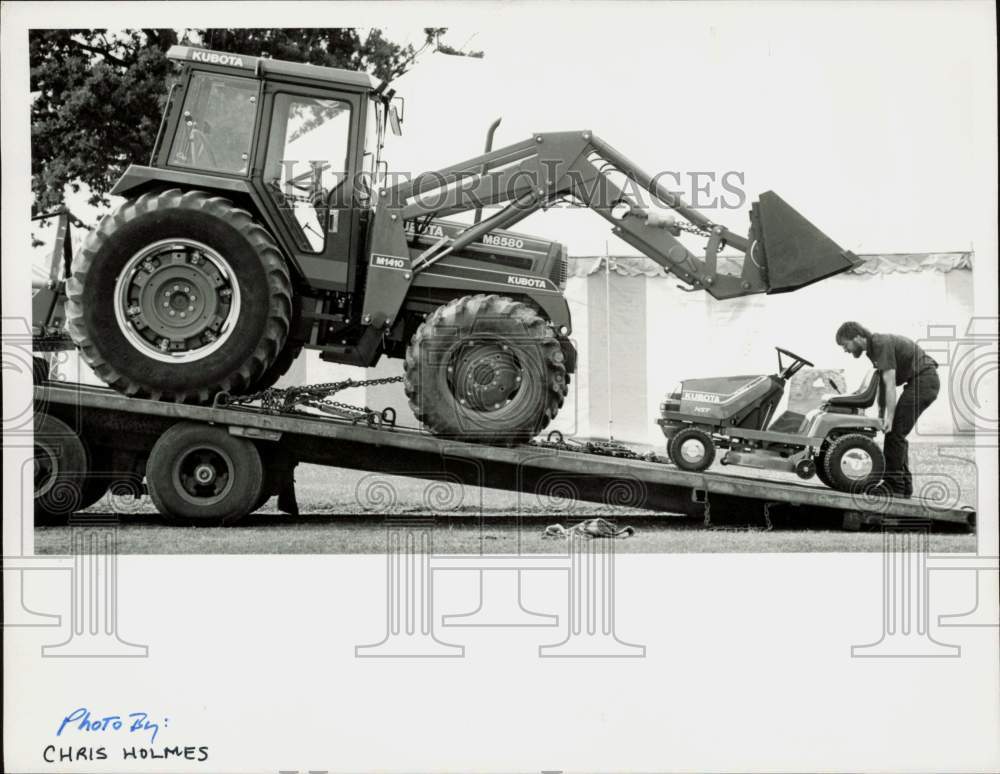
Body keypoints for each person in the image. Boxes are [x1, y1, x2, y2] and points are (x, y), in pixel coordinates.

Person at [835, 322, 939, 498]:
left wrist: (890, 416)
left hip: (924, 381)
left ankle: (894, 486)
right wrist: (882, 415)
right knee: (896, 434)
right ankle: (904, 486)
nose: (845, 350)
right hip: (921, 382)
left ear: (858, 338)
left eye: (846, 345)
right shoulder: (873, 349)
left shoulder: (881, 344)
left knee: (895, 434)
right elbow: (883, 386)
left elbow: (890, 384)